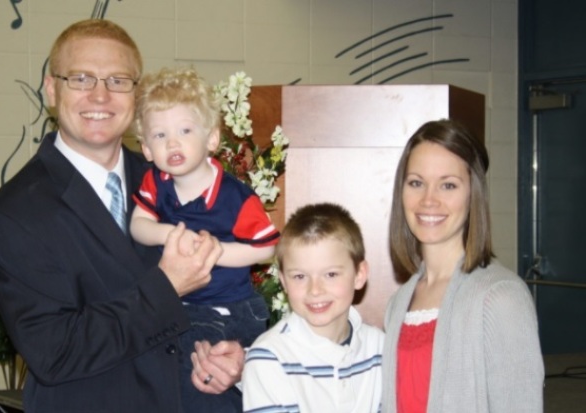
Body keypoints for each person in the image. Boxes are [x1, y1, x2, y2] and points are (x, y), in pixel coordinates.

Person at [0, 19, 241, 412]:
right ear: (52, 89)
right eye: (81, 79)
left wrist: (232, 351)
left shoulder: (177, 182)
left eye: (118, 81)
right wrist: (165, 287)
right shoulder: (15, 215)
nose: (100, 96)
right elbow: (56, 353)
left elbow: (219, 295)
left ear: (137, 95)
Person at [130, 66, 280, 412]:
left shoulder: (235, 197)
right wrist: (169, 234)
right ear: (147, 149)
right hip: (179, 304)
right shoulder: (156, 181)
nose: (173, 143)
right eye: (160, 135)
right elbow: (138, 226)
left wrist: (216, 251)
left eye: (185, 130)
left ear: (212, 139)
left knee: (199, 382)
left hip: (226, 308)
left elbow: (267, 248)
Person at [382, 119, 544, 412]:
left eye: (448, 185)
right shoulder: (399, 302)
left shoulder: (500, 297)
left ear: (473, 195)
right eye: (416, 183)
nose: (428, 200)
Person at [242, 203, 385, 413]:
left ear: (359, 275)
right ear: (283, 281)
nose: (315, 290)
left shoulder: (380, 348)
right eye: (300, 276)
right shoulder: (270, 357)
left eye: (331, 274)